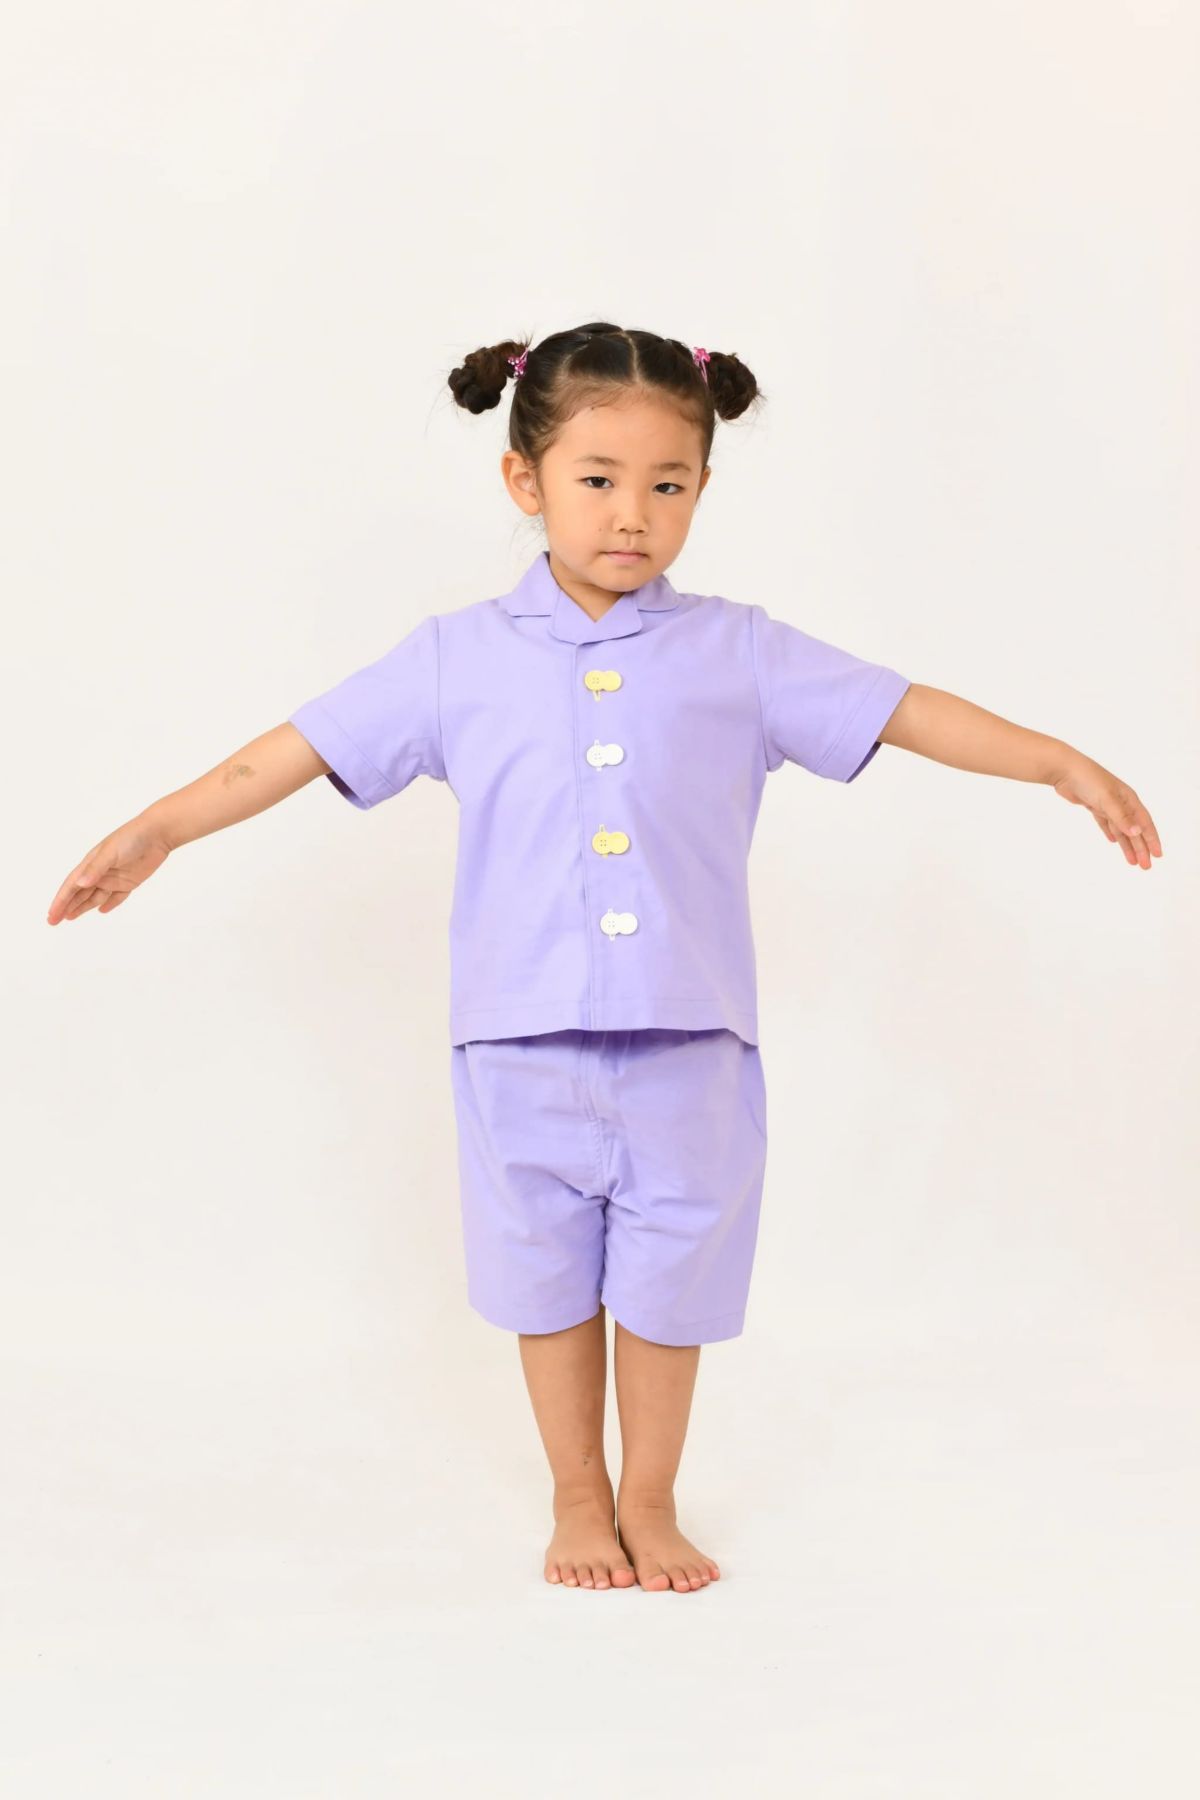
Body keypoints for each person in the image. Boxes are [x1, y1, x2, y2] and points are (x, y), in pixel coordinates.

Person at [46, 320, 1162, 1597]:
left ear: (701, 488)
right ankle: (578, 1495)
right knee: (546, 1280)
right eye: (598, 479)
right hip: (517, 1039)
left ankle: (651, 1499)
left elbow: (904, 711)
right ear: (524, 480)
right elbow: (292, 750)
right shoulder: (457, 657)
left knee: (674, 1283)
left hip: (692, 1039)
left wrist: (1059, 763)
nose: (634, 513)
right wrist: (162, 827)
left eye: (669, 484)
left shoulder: (740, 650)